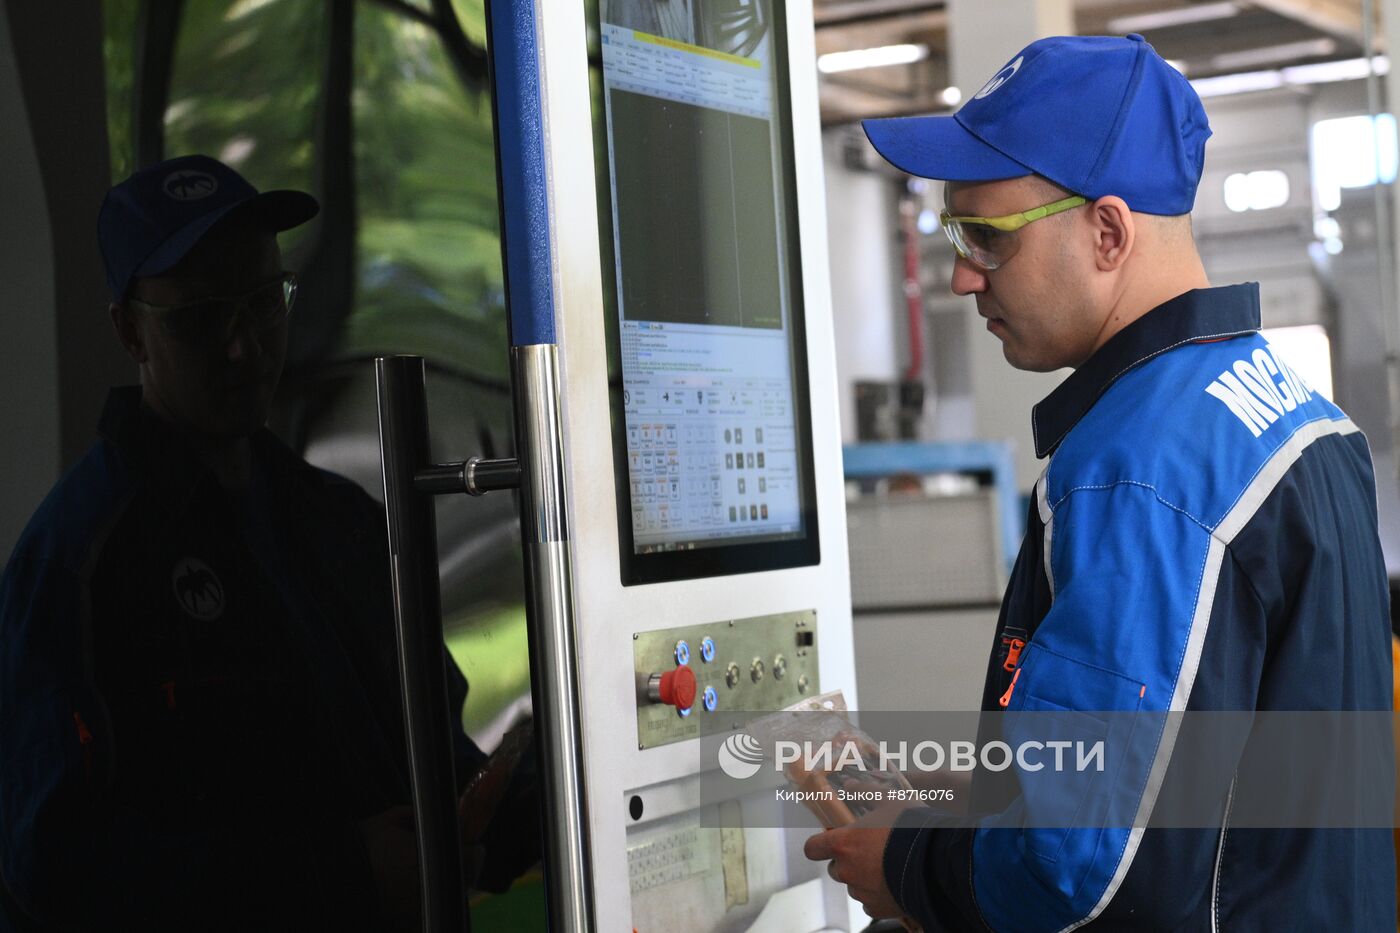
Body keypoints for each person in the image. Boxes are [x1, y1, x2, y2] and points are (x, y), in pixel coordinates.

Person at [805, 34, 1396, 930]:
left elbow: (1071, 858)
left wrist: (908, 868)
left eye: (987, 239)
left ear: (1109, 232)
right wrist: (937, 792)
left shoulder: (1141, 470)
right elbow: (1197, 779)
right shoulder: (1305, 420)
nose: (962, 275)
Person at [0, 155, 537, 931]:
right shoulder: (80, 562)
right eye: (198, 318)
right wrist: (338, 875)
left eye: (263, 303)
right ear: (129, 331)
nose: (242, 347)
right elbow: (52, 871)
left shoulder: (340, 522)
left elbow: (428, 761)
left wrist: (515, 801)